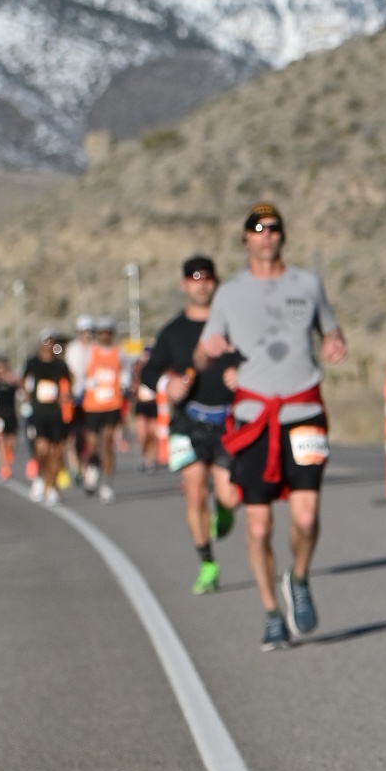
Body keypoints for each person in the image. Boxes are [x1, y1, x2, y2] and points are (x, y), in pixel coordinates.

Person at [196, 203, 349, 651]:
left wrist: (336, 342)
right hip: (253, 417)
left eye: (273, 227)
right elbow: (203, 353)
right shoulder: (229, 294)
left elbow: (331, 330)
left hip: (303, 411)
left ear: (283, 235)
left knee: (306, 517)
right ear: (245, 238)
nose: (266, 234)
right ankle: (271, 615)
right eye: (257, 228)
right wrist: (209, 350)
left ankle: (298, 578)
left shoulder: (308, 283)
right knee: (259, 527)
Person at [143, 254, 237, 594]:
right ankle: (207, 564)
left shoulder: (232, 324)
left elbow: (254, 357)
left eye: (207, 278)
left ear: (216, 282)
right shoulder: (173, 331)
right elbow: (149, 371)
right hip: (187, 421)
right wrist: (167, 385)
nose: (201, 285)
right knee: (195, 492)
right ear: (183, 285)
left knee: (230, 495)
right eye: (195, 279)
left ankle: (225, 511)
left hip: (228, 420)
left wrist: (240, 374)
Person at [76, 318, 126, 498]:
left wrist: (125, 384)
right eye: (101, 332)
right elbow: (80, 375)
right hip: (92, 407)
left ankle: (107, 483)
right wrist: (86, 385)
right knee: (92, 445)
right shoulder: (90, 352)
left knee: (107, 444)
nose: (105, 336)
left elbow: (126, 375)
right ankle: (94, 466)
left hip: (112, 406)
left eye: (108, 332)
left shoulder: (119, 353)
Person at [21, 336, 75, 502]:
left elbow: (70, 380)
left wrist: (66, 394)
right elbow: (23, 380)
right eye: (45, 342)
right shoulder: (33, 362)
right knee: (42, 449)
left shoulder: (60, 364)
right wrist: (26, 393)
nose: (48, 345)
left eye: (51, 342)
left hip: (56, 413)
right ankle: (39, 478)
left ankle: (51, 485)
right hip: (38, 412)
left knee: (55, 452)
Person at [0, 357, 17, 482]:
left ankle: (7, 457)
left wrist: (9, 379)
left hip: (10, 414)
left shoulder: (11, 380)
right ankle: (4, 468)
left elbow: (19, 384)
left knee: (10, 442)